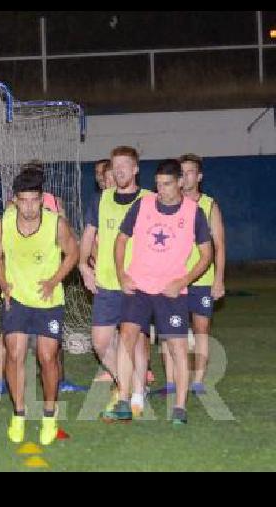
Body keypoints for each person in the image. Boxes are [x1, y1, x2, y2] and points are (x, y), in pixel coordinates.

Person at [102, 159, 212, 426]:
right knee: (126, 336)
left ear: (180, 183)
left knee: (177, 347)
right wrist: (122, 274)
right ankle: (124, 401)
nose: (160, 190)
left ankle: (180, 408)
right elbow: (120, 240)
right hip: (138, 287)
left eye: (166, 184)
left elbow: (207, 254)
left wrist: (183, 280)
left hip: (172, 292)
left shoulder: (194, 212)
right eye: (158, 184)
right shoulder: (143, 204)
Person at [0, 169, 79, 445]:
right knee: (14, 354)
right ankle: (18, 414)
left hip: (48, 302)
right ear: (15, 200)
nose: (29, 207)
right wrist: (4, 285)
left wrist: (54, 281)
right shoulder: (2, 225)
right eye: (23, 200)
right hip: (17, 299)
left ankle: (49, 417)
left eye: (34, 200)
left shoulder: (56, 224)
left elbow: (73, 253)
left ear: (42, 199)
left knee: (47, 356)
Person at [80, 147, 151, 416]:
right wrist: (83, 266)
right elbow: (87, 235)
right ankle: (131, 384)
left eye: (125, 166)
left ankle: (135, 396)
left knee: (137, 340)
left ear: (135, 169)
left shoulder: (148, 200)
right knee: (100, 342)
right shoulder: (101, 199)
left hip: (139, 283)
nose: (120, 170)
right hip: (107, 283)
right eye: (115, 166)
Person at [154, 154, 226, 397]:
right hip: (173, 278)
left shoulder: (209, 205)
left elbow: (220, 245)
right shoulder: (168, 204)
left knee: (201, 328)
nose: (185, 176)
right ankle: (172, 381)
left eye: (191, 171)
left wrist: (219, 279)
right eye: (181, 172)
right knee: (169, 330)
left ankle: (197, 381)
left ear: (199, 176)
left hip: (202, 279)